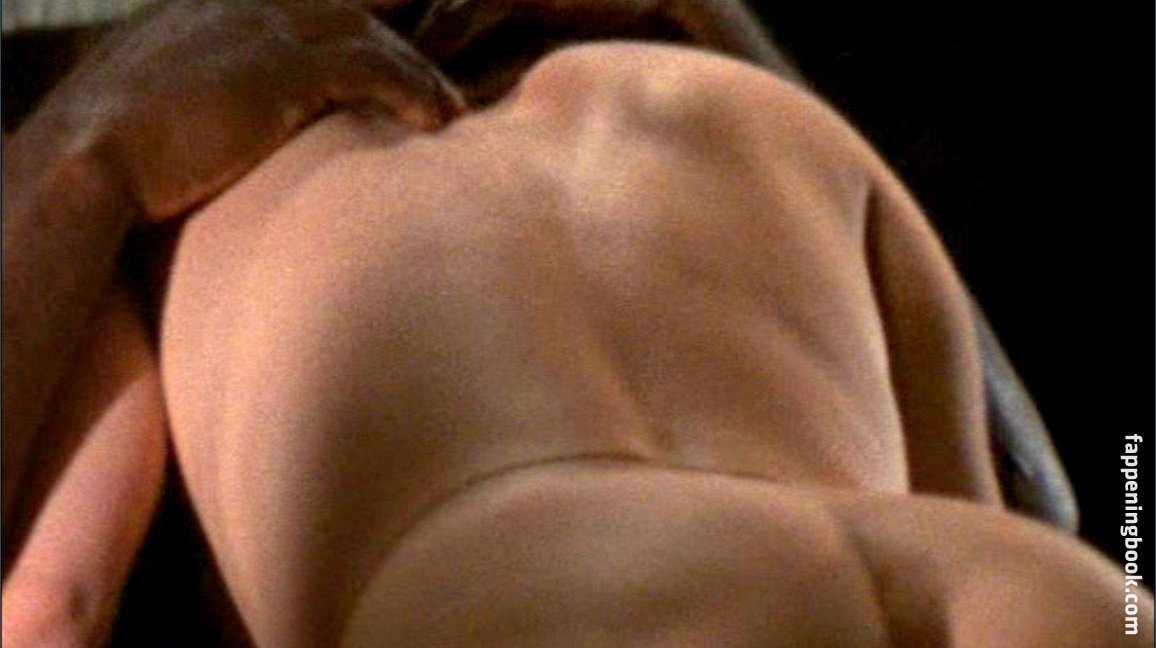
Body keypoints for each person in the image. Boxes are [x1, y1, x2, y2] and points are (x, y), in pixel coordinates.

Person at [1, 0, 1148, 645]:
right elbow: (1024, 497)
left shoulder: (176, 179)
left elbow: (50, 613)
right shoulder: (747, 108)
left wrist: (85, 159)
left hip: (575, 591)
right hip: (1017, 587)